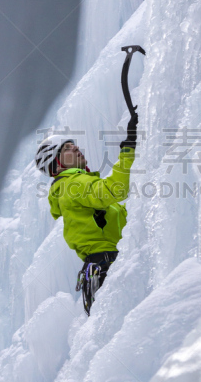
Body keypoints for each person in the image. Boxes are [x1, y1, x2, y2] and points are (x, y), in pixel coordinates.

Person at [35, 115, 138, 314]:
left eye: (73, 145)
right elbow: (115, 189)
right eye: (66, 148)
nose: (75, 148)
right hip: (107, 266)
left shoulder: (71, 188)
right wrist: (128, 151)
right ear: (57, 165)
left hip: (101, 268)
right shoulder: (72, 184)